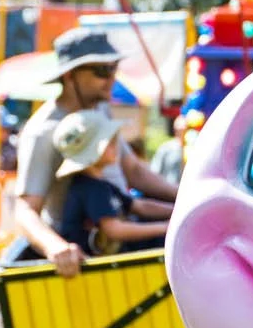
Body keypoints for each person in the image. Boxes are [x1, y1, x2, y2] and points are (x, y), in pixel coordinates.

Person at [9, 27, 177, 276]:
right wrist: (56, 247)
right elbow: (25, 210)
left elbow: (132, 169)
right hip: (91, 253)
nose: (111, 79)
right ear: (69, 76)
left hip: (124, 233)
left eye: (113, 68)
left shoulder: (98, 108)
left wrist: (184, 198)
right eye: (102, 71)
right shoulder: (43, 131)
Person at [49, 109, 169, 259]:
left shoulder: (103, 185)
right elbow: (114, 230)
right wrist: (165, 228)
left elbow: (139, 206)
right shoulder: (90, 188)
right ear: (94, 153)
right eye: (110, 143)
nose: (116, 146)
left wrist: (176, 211)